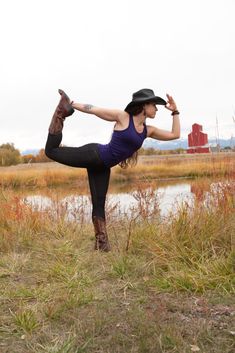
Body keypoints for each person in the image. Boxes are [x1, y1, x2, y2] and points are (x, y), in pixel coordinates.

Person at [45, 88, 180, 252]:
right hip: (94, 154)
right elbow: (94, 109)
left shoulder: (147, 130)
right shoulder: (123, 117)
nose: (157, 109)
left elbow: (175, 134)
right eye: (154, 105)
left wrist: (175, 112)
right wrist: (71, 104)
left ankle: (102, 245)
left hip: (103, 167)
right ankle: (61, 112)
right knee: (50, 151)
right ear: (144, 105)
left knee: (99, 204)